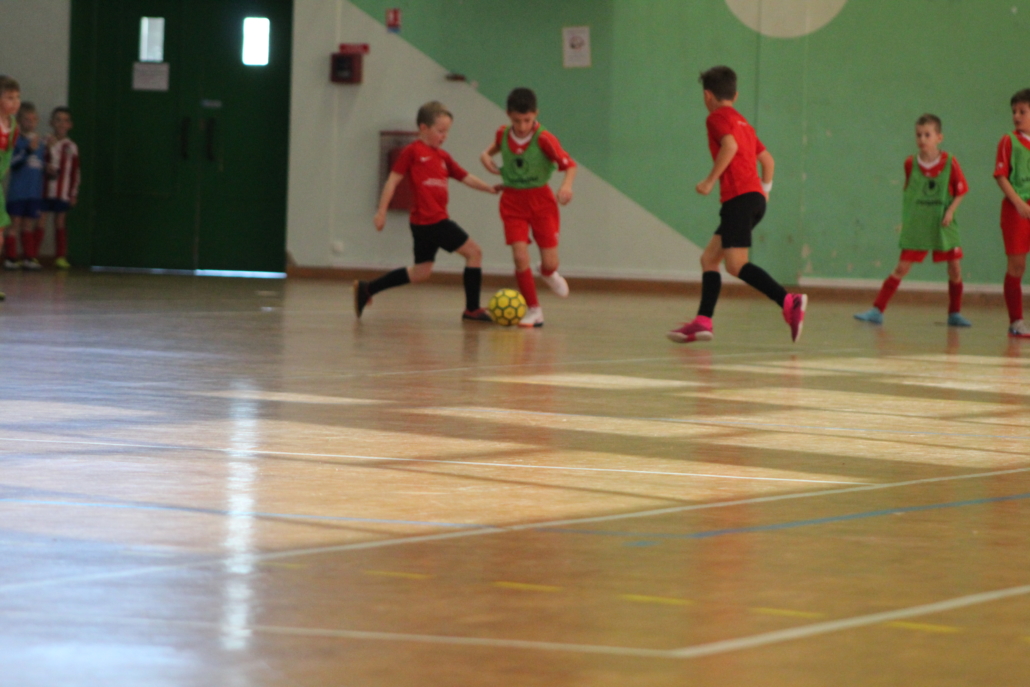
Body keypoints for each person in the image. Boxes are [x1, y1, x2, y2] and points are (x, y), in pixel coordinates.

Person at [667, 66, 806, 344]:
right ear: (736, 95)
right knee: (709, 259)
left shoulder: (717, 118)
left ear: (707, 96)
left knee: (735, 264)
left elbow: (728, 147)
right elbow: (768, 161)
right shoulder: (744, 124)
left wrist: (709, 181)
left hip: (739, 199)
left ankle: (789, 300)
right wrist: (764, 192)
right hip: (753, 198)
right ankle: (703, 321)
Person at [355, 101, 498, 320]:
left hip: (425, 223)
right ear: (423, 128)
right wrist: (381, 211)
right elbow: (392, 181)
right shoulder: (412, 151)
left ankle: (368, 289)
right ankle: (472, 309)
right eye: (440, 131)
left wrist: (489, 188)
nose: (444, 136)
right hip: (432, 221)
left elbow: (466, 177)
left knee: (421, 272)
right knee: (474, 253)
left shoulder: (443, 157)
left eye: (447, 132)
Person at [855, 115, 970, 327]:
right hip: (918, 225)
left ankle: (954, 313)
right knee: (901, 268)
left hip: (943, 224)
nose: (922, 139)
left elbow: (962, 191)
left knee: (955, 269)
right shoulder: (910, 164)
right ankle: (877, 310)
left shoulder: (950, 162)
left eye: (927, 135)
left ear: (939, 137)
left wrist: (950, 211)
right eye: (918, 135)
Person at [479, 87, 576, 328]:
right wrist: (485, 156)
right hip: (513, 202)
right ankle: (534, 310)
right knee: (519, 256)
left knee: (550, 262)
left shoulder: (544, 139)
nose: (522, 126)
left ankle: (548, 272)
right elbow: (492, 149)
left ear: (535, 114)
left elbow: (570, 165)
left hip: (541, 202)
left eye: (527, 120)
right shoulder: (503, 134)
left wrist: (566, 186)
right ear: (508, 115)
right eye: (516, 121)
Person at [994, 88, 1030, 338]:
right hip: (1016, 209)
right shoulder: (1009, 141)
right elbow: (1001, 175)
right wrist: (1018, 203)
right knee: (1017, 265)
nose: (1016, 116)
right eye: (1014, 111)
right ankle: (1016, 321)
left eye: (1022, 111)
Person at [5, 102, 47, 270]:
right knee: (14, 225)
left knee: (28, 225)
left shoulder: (41, 142)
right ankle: (11, 258)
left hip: (34, 192)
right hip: (18, 192)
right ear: (19, 121)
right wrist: (28, 150)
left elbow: (41, 164)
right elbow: (12, 163)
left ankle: (29, 257)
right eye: (26, 119)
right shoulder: (16, 140)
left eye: (33, 119)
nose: (30, 123)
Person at [38, 107, 79, 270]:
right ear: (51, 123)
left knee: (60, 222)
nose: (62, 124)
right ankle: (32, 255)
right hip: (44, 191)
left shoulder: (71, 146)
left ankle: (60, 256)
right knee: (40, 220)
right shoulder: (44, 141)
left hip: (63, 193)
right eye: (58, 120)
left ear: (70, 125)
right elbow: (36, 162)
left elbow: (75, 171)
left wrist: (73, 193)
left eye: (65, 120)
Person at [0, 76, 22, 299]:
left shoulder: (13, 126)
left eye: (17, 97)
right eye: (9, 98)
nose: (15, 102)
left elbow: (8, 154)